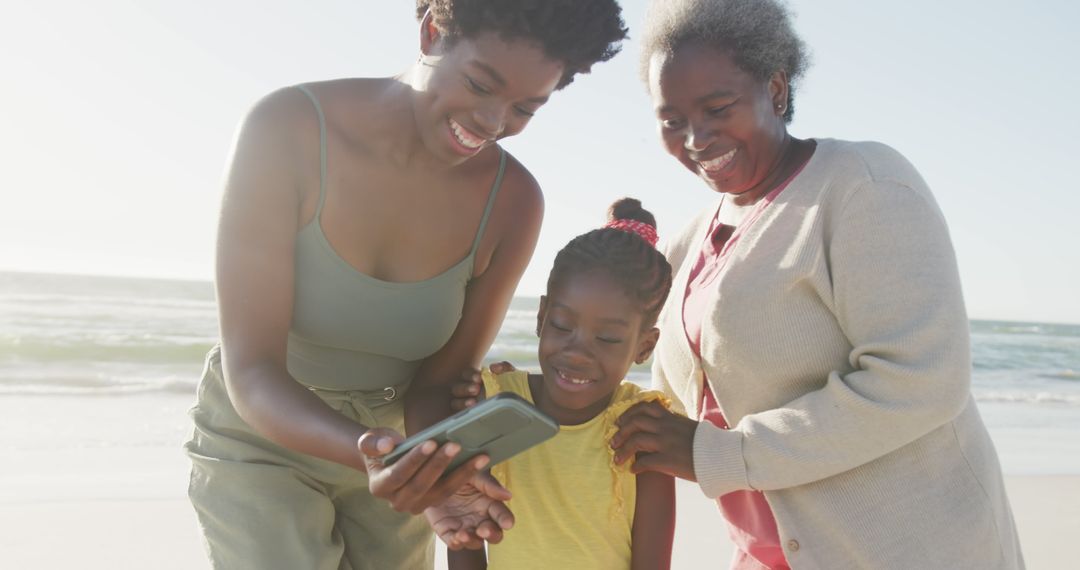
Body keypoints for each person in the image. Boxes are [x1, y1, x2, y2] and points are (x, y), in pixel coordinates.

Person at [183, 2, 627, 569]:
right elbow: (252, 373)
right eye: (479, 84)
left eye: (524, 109)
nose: (493, 123)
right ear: (432, 31)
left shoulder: (513, 202)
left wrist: (441, 473)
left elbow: (438, 382)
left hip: (399, 458)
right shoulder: (286, 128)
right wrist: (370, 454)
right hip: (263, 440)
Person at [606, 0, 1026, 568]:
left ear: (776, 90)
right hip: (768, 555)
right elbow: (673, 411)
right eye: (671, 120)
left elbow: (922, 380)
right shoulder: (689, 243)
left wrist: (723, 455)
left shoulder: (863, 186)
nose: (696, 137)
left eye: (718, 107)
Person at [448, 198, 676, 570]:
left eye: (607, 339)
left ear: (645, 346)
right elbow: (463, 533)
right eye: (562, 326)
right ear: (541, 317)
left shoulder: (643, 427)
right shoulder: (494, 403)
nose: (577, 352)